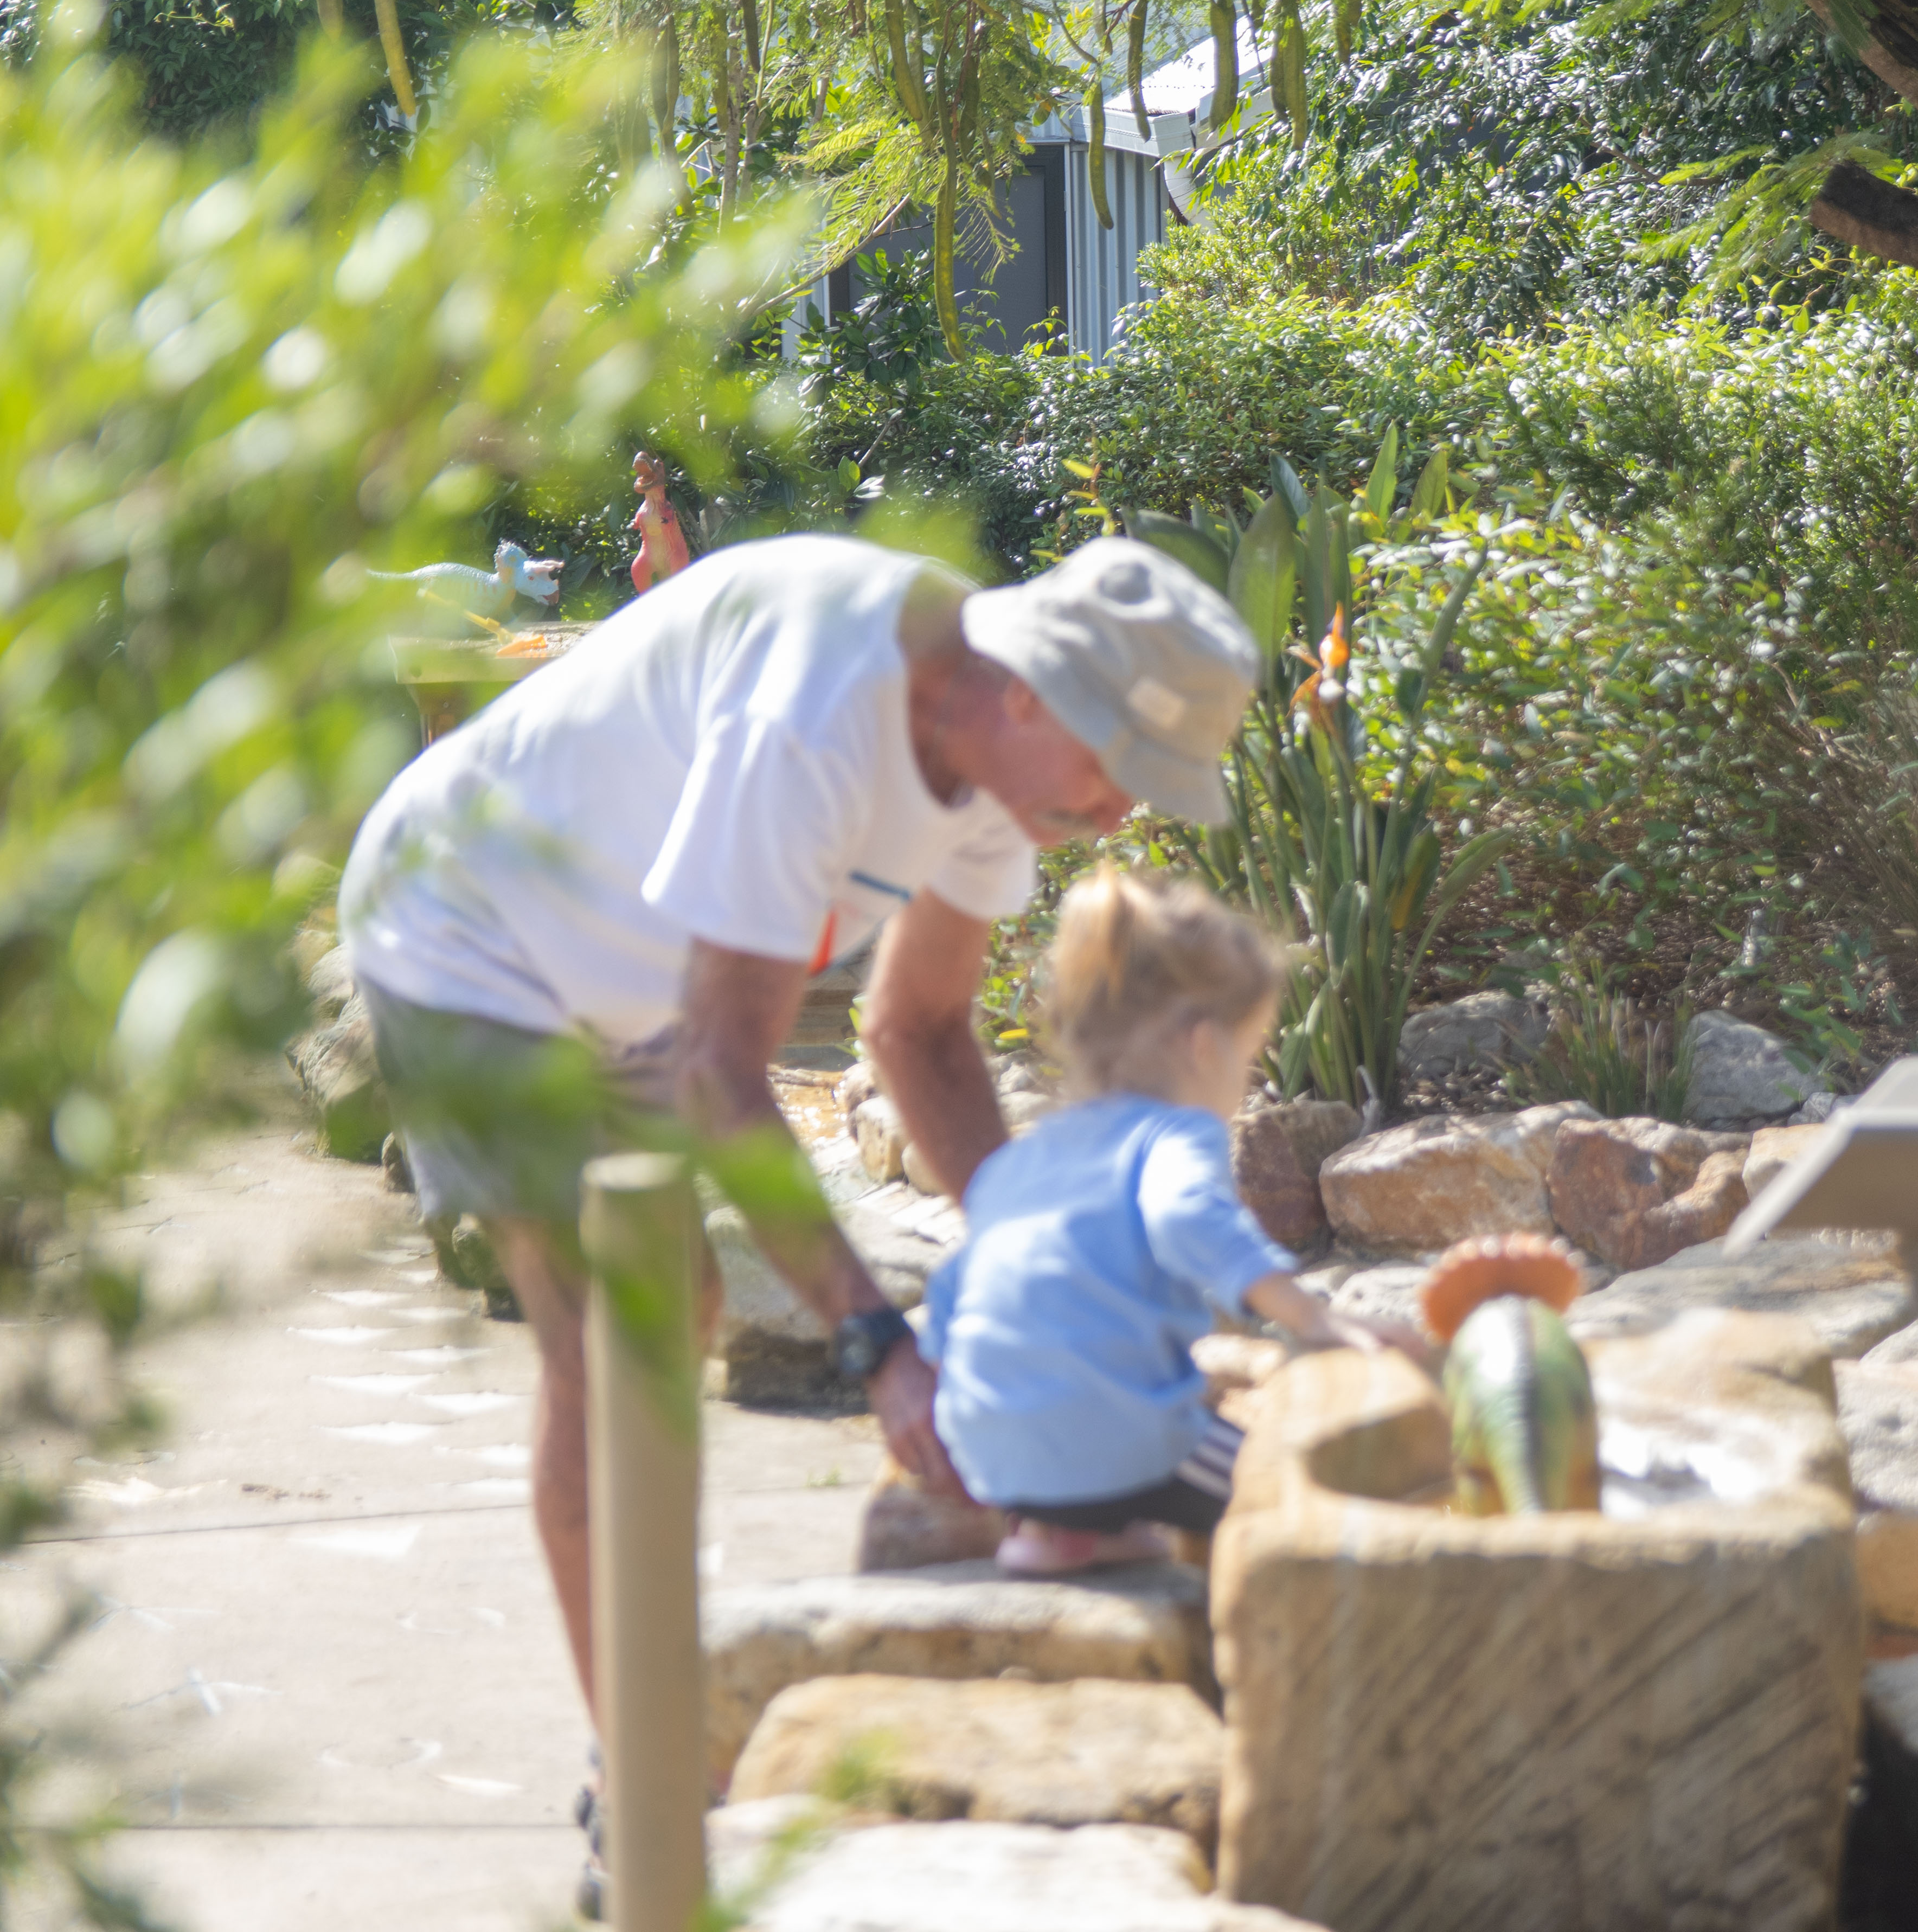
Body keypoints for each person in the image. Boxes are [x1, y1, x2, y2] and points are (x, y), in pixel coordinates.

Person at [337, 530, 1258, 1907]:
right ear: (1028, 687)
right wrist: (883, 1348)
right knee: (613, 1343)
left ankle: (649, 1731)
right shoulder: (820, 711)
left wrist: (1045, 1283)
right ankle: (642, 1784)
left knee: (686, 1314)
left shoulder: (1001, 769)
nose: (1124, 814)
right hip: (465, 934)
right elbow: (724, 1071)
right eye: (1119, 765)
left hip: (635, 982)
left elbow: (919, 1028)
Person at [923, 868, 1425, 1575]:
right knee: (1281, 1481)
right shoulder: (1172, 1134)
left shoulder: (1022, 1160)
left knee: (1083, 1415)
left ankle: (1056, 1532)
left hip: (992, 1451)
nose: (1246, 1076)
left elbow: (951, 1296)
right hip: (1118, 1441)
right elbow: (1186, 1215)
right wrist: (1314, 1319)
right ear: (1202, 1045)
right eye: (1250, 1052)